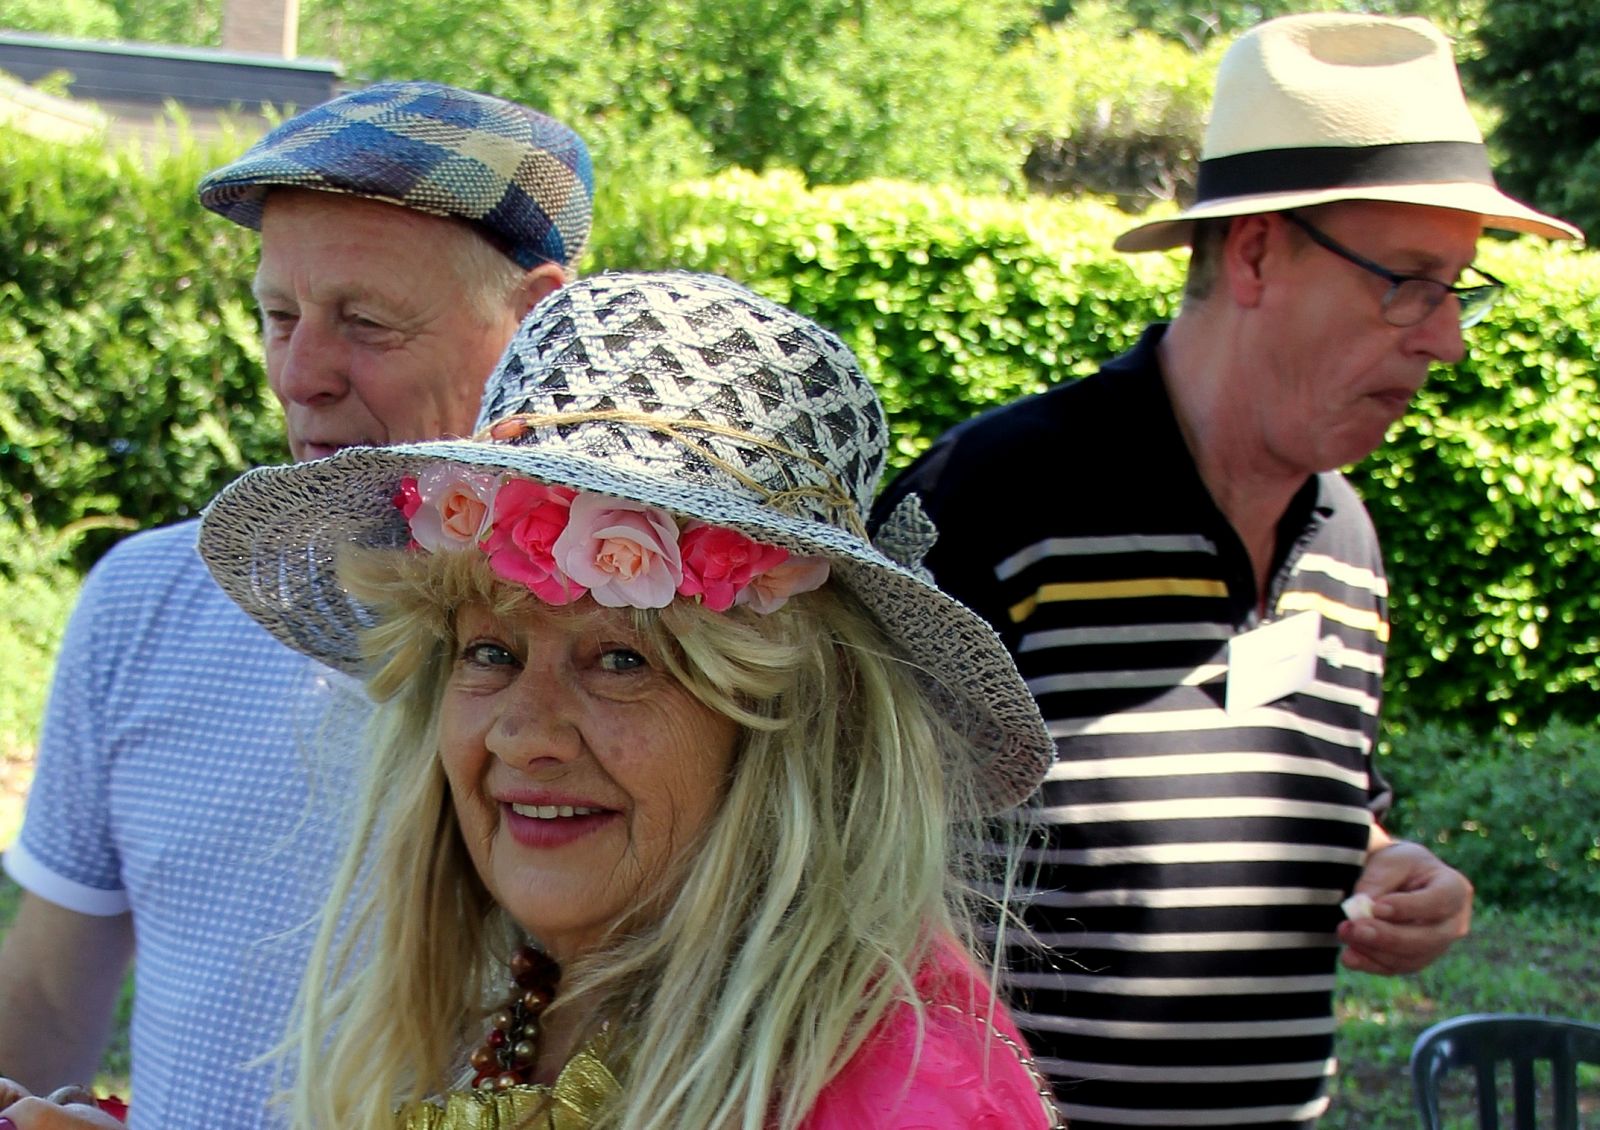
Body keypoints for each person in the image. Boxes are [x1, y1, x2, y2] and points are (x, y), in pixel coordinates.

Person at [0, 271, 1063, 1129]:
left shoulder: (901, 1091)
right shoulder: (548, 984)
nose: (523, 730)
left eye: (621, 660)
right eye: (492, 650)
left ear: (792, 724)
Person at [871, 12, 1581, 1130]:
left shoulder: (1345, 533)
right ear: (1254, 253)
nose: (1446, 339)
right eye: (1408, 281)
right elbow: (824, 840)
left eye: (1460, 290)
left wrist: (1402, 873)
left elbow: (1314, 792)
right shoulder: (994, 498)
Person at [0, 81, 592, 1130]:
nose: (299, 373)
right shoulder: (148, 598)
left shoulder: (635, 649)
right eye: (279, 315)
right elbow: (48, 991)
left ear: (532, 318)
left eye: (365, 322)